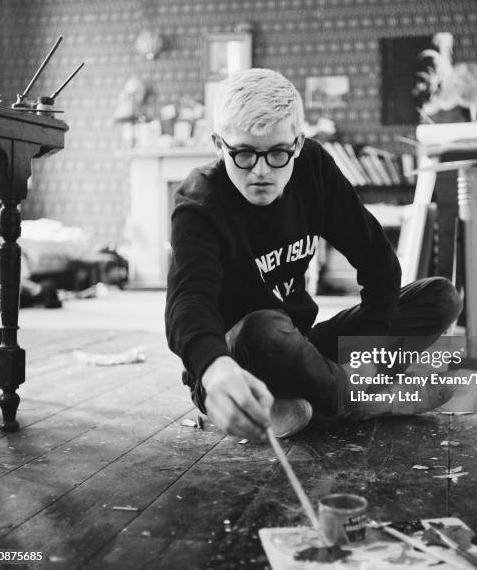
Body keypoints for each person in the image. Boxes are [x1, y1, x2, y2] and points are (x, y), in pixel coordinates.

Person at [165, 68, 461, 442]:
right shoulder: (200, 201)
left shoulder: (313, 169)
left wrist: (366, 352)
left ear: (299, 144)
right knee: (265, 327)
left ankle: (305, 404)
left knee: (439, 297)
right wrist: (213, 368)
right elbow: (187, 302)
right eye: (242, 154)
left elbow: (377, 258)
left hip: (301, 347)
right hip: (235, 362)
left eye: (277, 154)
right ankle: (361, 401)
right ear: (218, 144)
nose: (260, 171)